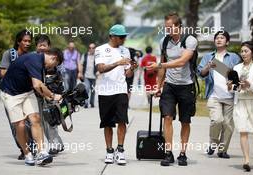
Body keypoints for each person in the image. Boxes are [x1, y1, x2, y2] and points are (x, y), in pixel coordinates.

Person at [147, 13, 198, 166]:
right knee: (167, 118)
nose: (167, 30)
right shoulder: (164, 41)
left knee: (185, 121)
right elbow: (162, 65)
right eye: (166, 27)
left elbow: (182, 62)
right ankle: (168, 153)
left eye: (170, 27)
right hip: (169, 85)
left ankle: (183, 154)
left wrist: (160, 65)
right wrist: (158, 85)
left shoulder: (190, 40)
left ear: (179, 27)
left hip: (186, 86)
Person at [0, 48, 63, 166]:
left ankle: (41, 153)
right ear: (54, 58)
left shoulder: (41, 63)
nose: (52, 68)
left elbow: (38, 85)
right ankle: (27, 154)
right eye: (55, 64)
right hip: (10, 93)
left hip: (27, 92)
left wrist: (47, 96)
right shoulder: (35, 59)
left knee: (35, 119)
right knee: (21, 124)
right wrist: (53, 95)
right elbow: (37, 84)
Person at [95, 24, 137, 165]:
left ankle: (120, 150)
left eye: (125, 36)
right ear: (112, 36)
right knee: (107, 123)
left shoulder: (126, 51)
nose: (124, 39)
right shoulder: (100, 49)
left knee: (122, 120)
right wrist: (118, 62)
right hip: (105, 91)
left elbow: (128, 73)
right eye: (121, 37)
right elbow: (101, 69)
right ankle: (109, 151)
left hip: (120, 90)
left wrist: (131, 67)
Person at [197, 31, 241, 159]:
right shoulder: (208, 57)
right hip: (214, 95)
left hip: (230, 96)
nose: (219, 40)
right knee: (217, 120)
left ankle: (222, 150)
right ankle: (213, 144)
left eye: (222, 38)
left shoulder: (234, 57)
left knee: (228, 125)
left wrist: (233, 81)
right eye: (217, 38)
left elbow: (237, 75)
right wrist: (208, 66)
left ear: (227, 42)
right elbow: (201, 73)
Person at [0, 29, 32, 160]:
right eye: (25, 41)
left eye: (29, 41)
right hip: (10, 93)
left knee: (31, 121)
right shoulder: (9, 54)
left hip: (26, 93)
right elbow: (3, 72)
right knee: (16, 124)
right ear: (19, 41)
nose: (27, 43)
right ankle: (23, 149)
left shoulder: (30, 56)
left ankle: (32, 147)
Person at [227, 41, 253, 172]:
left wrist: (249, 85)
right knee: (243, 131)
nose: (243, 53)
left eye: (246, 51)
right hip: (240, 103)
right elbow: (234, 88)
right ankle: (246, 160)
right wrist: (231, 86)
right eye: (242, 51)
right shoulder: (236, 68)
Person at [35, 34, 64, 155]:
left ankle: (54, 145)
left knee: (50, 120)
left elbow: (59, 80)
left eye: (44, 45)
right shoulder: (33, 59)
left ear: (48, 47)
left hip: (51, 94)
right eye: (39, 45)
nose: (42, 48)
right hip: (36, 95)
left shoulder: (53, 60)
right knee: (39, 122)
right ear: (36, 46)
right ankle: (58, 143)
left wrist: (56, 95)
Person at [81, 43, 97, 108]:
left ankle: (92, 102)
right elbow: (81, 64)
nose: (91, 49)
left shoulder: (97, 56)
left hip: (94, 76)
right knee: (87, 89)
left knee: (92, 90)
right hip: (86, 75)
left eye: (93, 48)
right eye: (90, 48)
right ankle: (86, 103)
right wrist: (80, 72)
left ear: (95, 49)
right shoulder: (85, 55)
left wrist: (99, 71)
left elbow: (100, 64)